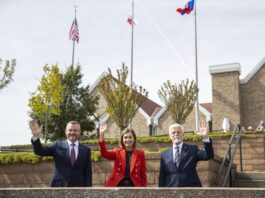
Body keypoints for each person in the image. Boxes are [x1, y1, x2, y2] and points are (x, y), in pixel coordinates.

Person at [30, 120, 92, 187]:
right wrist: (35, 136)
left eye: (75, 130)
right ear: (66, 132)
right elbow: (40, 151)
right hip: (58, 187)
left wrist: (88, 190)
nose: (72, 132)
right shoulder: (57, 145)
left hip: (79, 188)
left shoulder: (86, 150)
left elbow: (88, 173)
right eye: (70, 130)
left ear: (79, 132)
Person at [159, 121, 214, 187]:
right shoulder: (164, 154)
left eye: (179, 132)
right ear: (170, 136)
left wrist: (205, 137)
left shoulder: (192, 149)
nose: (176, 134)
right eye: (173, 132)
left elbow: (208, 155)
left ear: (183, 135)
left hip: (191, 189)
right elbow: (162, 175)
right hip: (171, 190)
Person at [98, 122, 147, 187]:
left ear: (134, 139)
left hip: (134, 185)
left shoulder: (140, 154)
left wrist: (144, 190)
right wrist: (101, 134)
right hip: (117, 184)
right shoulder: (118, 152)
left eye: (130, 137)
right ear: (122, 139)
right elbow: (104, 153)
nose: (127, 139)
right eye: (125, 137)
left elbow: (143, 174)